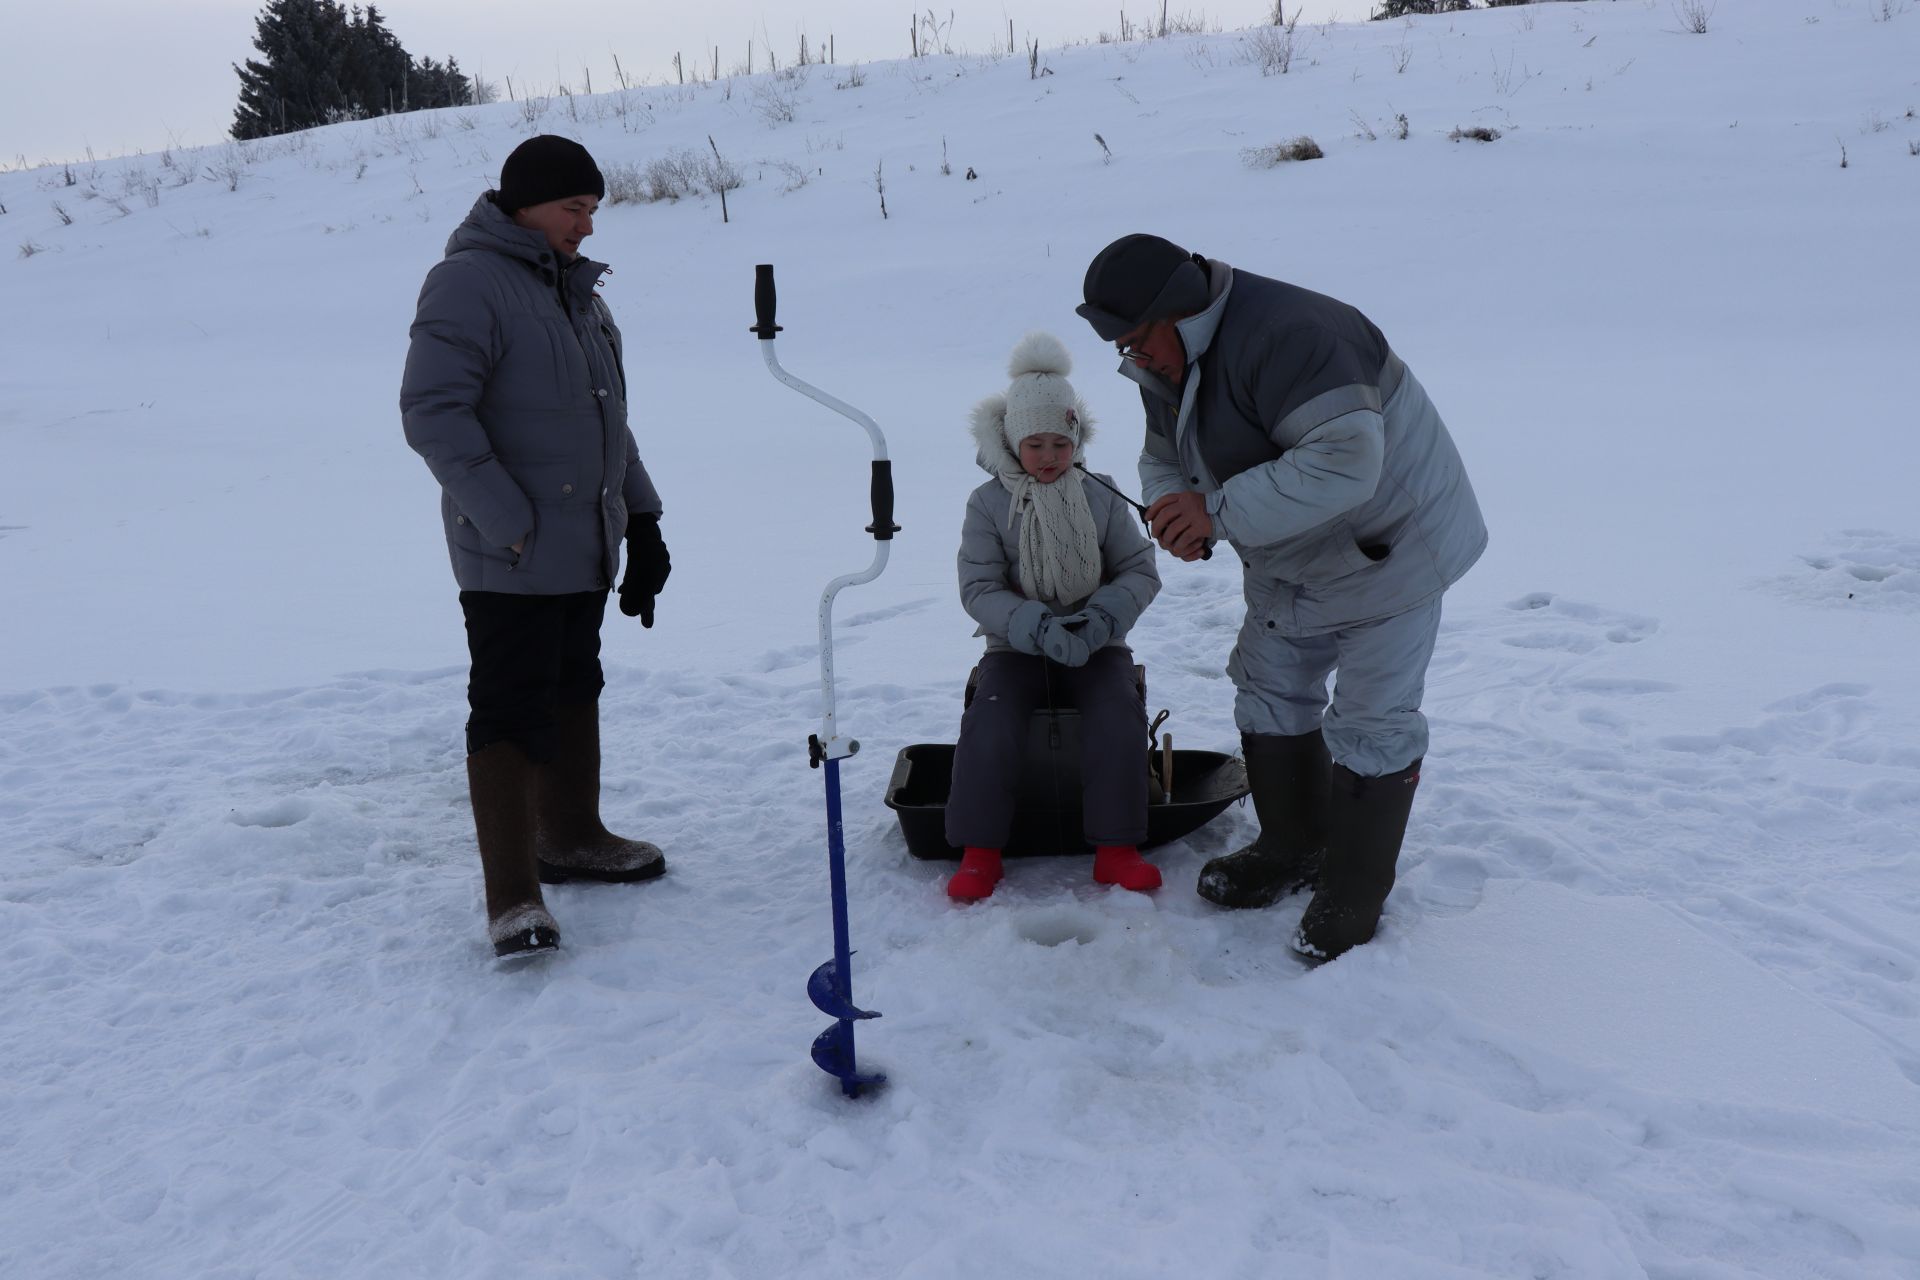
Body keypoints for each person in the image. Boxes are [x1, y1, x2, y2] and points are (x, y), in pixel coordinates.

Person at [1075, 233, 1487, 961]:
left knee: (1373, 718)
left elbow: (1345, 462)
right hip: (1288, 548)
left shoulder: (1295, 335)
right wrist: (1174, 501)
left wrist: (1219, 513)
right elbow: (1163, 452)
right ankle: (1293, 845)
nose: (1135, 361)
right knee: (1266, 685)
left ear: (1177, 310)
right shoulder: (1166, 355)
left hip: (1388, 548)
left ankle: (1355, 888)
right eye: (1125, 350)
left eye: (1138, 342)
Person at [401, 135, 673, 959]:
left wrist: (646, 521)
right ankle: (514, 896)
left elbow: (608, 425)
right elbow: (432, 414)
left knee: (573, 679)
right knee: (511, 701)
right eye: (573, 208)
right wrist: (509, 521)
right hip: (511, 550)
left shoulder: (580, 294)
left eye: (592, 210)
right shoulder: (467, 282)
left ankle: (572, 836)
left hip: (585, 538)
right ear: (525, 203)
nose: (586, 226)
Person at [945, 333, 1163, 901]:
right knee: (991, 719)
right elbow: (978, 586)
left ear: (1077, 440)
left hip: (1096, 641)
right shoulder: (988, 503)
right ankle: (980, 852)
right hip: (1015, 646)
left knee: (1117, 712)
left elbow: (1139, 570)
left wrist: (1099, 623)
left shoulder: (1103, 494)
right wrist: (1034, 625)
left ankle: (1116, 849)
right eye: (1034, 444)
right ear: (1012, 440)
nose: (1048, 457)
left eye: (1060, 444)